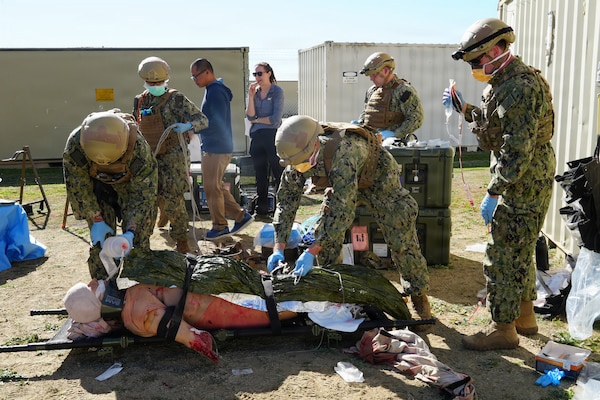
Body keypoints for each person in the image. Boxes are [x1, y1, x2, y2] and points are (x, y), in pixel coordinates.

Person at [444, 18, 555, 350]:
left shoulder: (520, 87)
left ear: (493, 51)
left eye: (477, 61)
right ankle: (524, 318)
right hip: (521, 178)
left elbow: (516, 150)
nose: (475, 68)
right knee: (520, 250)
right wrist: (464, 109)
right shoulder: (503, 82)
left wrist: (493, 191)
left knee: (503, 254)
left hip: (522, 182)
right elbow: (497, 126)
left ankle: (502, 328)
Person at [268, 115, 432, 325]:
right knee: (325, 238)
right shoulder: (297, 157)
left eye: (302, 163)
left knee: (402, 234)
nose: (301, 169)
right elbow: (286, 202)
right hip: (342, 184)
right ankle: (332, 291)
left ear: (315, 145)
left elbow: (342, 211)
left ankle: (418, 296)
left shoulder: (344, 152)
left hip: (377, 179)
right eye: (296, 165)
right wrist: (278, 249)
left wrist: (310, 252)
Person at [63, 278, 298, 363]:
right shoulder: (136, 312)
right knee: (278, 308)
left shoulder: (132, 305)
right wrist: (195, 340)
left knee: (274, 300)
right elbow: (167, 323)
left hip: (209, 293)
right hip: (213, 304)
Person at [63, 109, 158, 279]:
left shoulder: (139, 151)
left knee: (139, 242)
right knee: (102, 243)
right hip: (97, 187)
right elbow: (78, 186)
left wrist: (131, 231)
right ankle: (102, 285)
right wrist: (96, 219)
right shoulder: (76, 145)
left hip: (131, 187)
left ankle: (138, 285)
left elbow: (143, 196)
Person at [133, 56, 208, 254]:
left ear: (165, 80)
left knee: (174, 199)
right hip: (150, 157)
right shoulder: (141, 100)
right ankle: (144, 240)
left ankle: (182, 241)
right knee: (149, 197)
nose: (154, 86)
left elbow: (202, 120)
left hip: (173, 158)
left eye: (158, 82)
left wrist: (188, 125)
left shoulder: (176, 99)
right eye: (151, 83)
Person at [190, 58, 253, 240]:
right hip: (217, 146)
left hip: (216, 148)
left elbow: (214, 122)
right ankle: (241, 216)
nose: (195, 80)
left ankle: (220, 226)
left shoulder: (215, 92)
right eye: (192, 77)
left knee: (211, 188)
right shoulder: (214, 90)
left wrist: (193, 127)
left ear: (208, 72)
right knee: (214, 187)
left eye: (197, 76)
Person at [245, 62, 285, 221]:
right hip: (257, 136)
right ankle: (261, 209)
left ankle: (281, 207)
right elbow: (250, 116)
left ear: (269, 73)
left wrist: (258, 120)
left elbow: (275, 119)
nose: (257, 78)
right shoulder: (256, 92)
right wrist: (251, 96)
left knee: (277, 173)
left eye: (260, 74)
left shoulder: (277, 91)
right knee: (260, 174)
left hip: (272, 136)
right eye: (255, 75)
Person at [357, 52, 424, 141]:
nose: (371, 79)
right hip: (372, 144)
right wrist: (359, 126)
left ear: (385, 71)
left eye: (374, 75)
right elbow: (366, 113)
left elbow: (416, 118)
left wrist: (395, 134)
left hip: (396, 146)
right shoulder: (372, 91)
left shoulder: (403, 91)